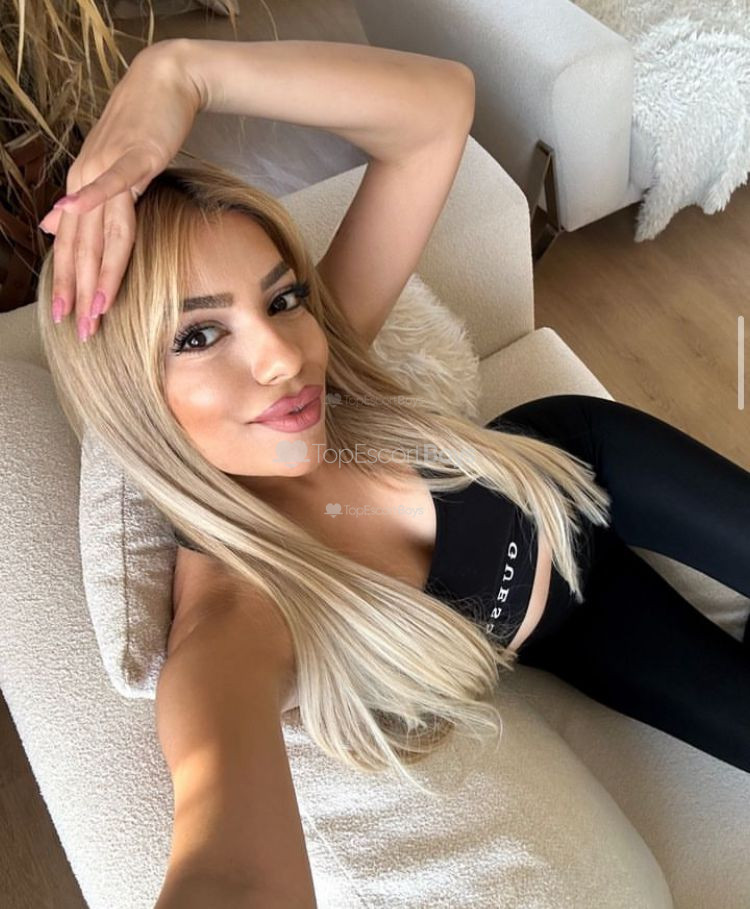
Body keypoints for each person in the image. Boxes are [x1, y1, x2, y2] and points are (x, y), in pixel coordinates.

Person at [34, 35, 750, 908]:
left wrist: (181, 72)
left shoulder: (313, 366)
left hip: (578, 464)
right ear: (130, 392)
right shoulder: (229, 631)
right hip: (575, 618)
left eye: (282, 298)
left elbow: (439, 109)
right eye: (198, 334)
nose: (284, 357)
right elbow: (230, 867)